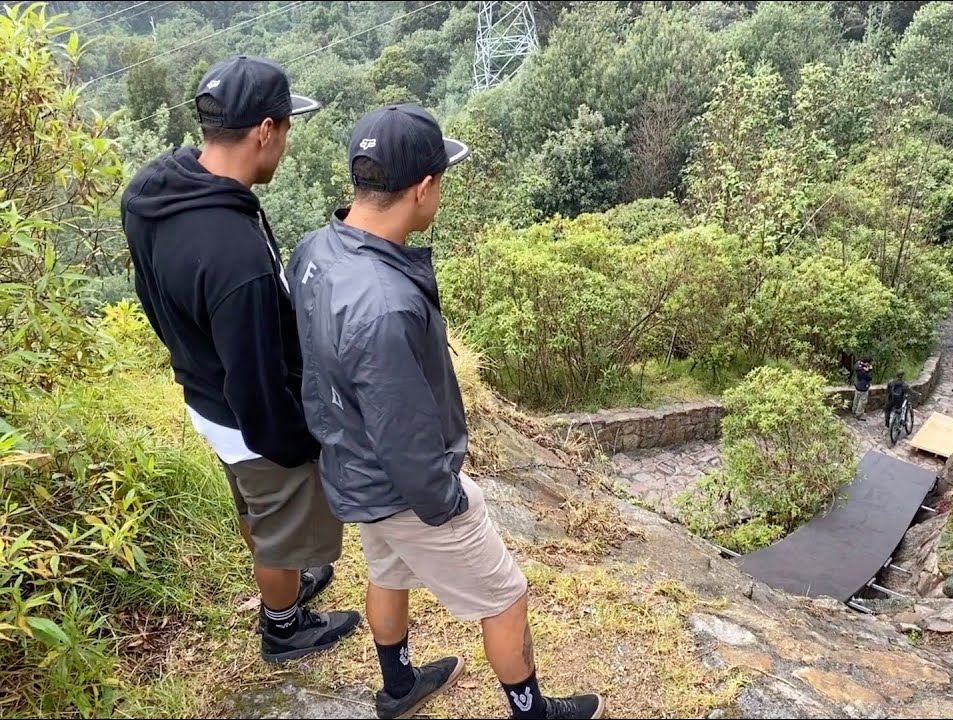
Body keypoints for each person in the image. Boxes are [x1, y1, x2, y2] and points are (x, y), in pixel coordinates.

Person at [288, 104, 604, 720]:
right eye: (442, 180)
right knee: (506, 597)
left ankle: (399, 686)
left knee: (389, 572)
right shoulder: (384, 303)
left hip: (349, 468)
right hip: (406, 488)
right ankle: (532, 712)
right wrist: (447, 502)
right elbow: (403, 432)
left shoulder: (316, 251)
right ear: (423, 187)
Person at [121, 55, 359, 663]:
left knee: (254, 506)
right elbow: (258, 388)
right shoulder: (235, 260)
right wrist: (300, 443)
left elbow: (152, 291)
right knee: (278, 522)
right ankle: (283, 625)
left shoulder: (153, 190)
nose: (285, 141)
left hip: (204, 391)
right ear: (265, 131)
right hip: (250, 420)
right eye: (286, 128)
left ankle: (283, 588)